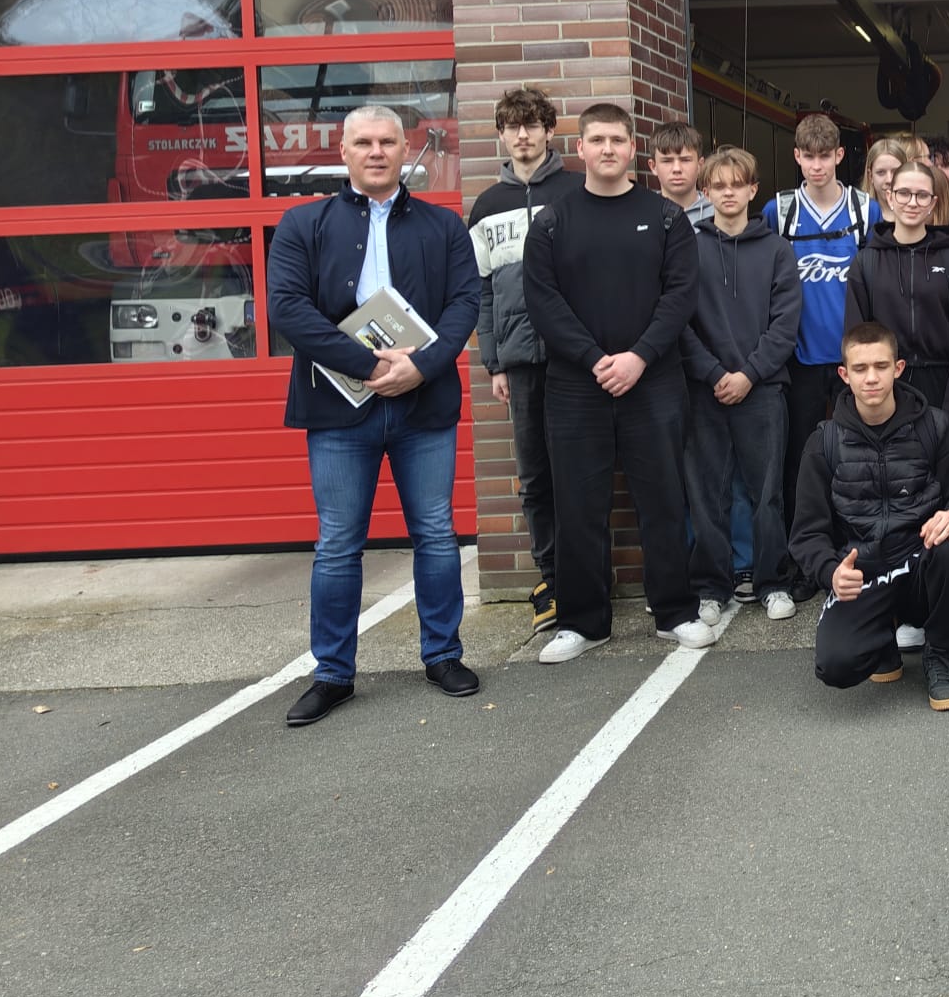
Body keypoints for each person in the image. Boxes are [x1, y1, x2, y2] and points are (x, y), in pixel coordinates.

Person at [268, 105, 483, 726]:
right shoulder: (304, 223)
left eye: (387, 141)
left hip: (424, 405)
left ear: (404, 149)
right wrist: (368, 366)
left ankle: (443, 655)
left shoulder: (443, 226)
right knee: (338, 543)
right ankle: (333, 674)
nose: (376, 151)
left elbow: (465, 302)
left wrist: (423, 366)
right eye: (363, 142)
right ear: (343, 151)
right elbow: (288, 307)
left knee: (436, 534)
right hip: (338, 410)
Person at [522, 102, 705, 663]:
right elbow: (542, 301)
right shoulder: (552, 221)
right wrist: (595, 359)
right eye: (597, 140)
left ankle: (675, 612)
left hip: (654, 380)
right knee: (578, 506)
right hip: (576, 386)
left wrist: (639, 357)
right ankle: (583, 622)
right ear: (579, 148)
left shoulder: (666, 218)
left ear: (632, 149)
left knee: (664, 500)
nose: (607, 149)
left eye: (617, 140)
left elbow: (681, 295)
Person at [792, 322, 949, 711]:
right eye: (860, 369)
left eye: (881, 366)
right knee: (836, 665)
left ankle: (941, 652)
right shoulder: (824, 442)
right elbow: (807, 534)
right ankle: (882, 638)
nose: (871, 378)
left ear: (898, 368)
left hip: (921, 565)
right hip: (866, 574)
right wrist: (831, 572)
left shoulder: (934, 426)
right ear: (844, 375)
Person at [467, 84, 583, 633]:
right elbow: (482, 290)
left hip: (576, 357)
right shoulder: (488, 206)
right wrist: (493, 362)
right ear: (501, 134)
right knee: (535, 477)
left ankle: (584, 576)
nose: (522, 135)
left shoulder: (577, 191)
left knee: (580, 471)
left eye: (532, 125)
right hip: (519, 362)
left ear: (549, 130)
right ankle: (552, 580)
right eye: (512, 127)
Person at [680, 146, 803, 621]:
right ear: (706, 191)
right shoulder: (688, 248)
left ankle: (772, 582)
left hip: (763, 389)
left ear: (754, 190)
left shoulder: (777, 250)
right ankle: (712, 587)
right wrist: (715, 374)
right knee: (707, 493)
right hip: (704, 389)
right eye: (718, 186)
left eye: (737, 185)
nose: (728, 193)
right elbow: (679, 323)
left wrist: (749, 374)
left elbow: (785, 325)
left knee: (766, 492)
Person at [764, 115, 880, 555]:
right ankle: (806, 556)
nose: (817, 166)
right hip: (799, 355)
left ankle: (860, 549)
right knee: (802, 459)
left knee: (860, 456)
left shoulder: (864, 209)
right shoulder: (780, 211)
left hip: (854, 358)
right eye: (808, 157)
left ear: (839, 155)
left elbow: (876, 282)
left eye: (824, 156)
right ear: (796, 156)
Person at [845, 158, 949, 440]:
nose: (912, 202)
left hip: (944, 388)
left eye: (922, 195)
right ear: (890, 197)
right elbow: (856, 341)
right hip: (888, 388)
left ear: (933, 203)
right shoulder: (866, 262)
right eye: (904, 193)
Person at [648, 119, 714, 228]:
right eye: (667, 161)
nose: (677, 169)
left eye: (685, 160)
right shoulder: (640, 213)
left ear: (700, 165)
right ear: (653, 166)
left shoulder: (718, 212)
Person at [862, 136, 911, 212]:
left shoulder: (918, 213)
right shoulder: (860, 215)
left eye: (896, 172)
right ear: (870, 176)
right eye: (881, 172)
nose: (889, 180)